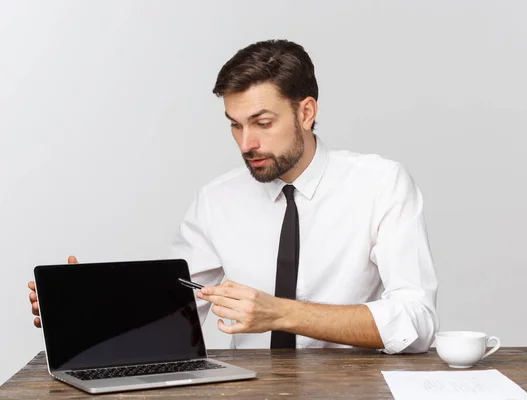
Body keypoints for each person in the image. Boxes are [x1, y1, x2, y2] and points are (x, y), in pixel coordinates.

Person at [28, 39, 439, 354]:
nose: (247, 144)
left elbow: (417, 322)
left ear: (306, 112)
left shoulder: (380, 183)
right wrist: (85, 311)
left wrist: (280, 313)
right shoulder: (217, 200)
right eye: (235, 126)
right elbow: (178, 306)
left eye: (262, 123)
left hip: (354, 389)